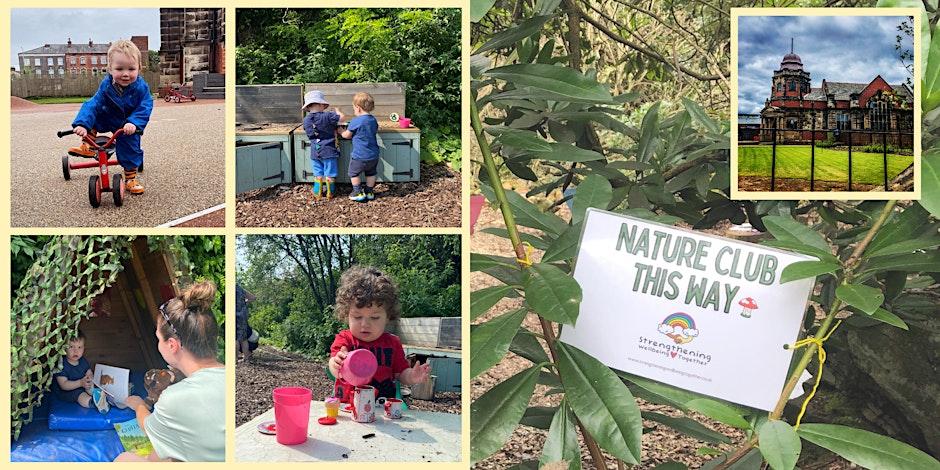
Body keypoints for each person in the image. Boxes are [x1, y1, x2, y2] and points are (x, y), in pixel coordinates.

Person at [115, 281, 225, 462]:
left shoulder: (174, 398)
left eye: (158, 338)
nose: (158, 343)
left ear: (172, 345)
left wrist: (138, 405)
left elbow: (147, 426)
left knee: (124, 459)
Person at [328, 266, 431, 404]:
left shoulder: (393, 343)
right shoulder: (345, 339)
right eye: (357, 317)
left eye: (375, 318)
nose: (365, 324)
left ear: (388, 316)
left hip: (383, 410)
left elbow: (401, 374)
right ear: (347, 315)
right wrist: (336, 364)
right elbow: (334, 367)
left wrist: (412, 376)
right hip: (348, 407)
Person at [69, 39, 153, 195]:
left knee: (130, 148)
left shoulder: (141, 88)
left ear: (139, 68)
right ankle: (87, 145)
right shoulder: (106, 85)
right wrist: (82, 124)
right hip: (108, 118)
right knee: (93, 114)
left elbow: (145, 106)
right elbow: (93, 103)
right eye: (120, 69)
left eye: (131, 69)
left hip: (127, 125)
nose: (126, 74)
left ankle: (130, 178)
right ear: (110, 69)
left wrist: (134, 123)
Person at [302, 90, 346, 199]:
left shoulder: (306, 119)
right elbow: (342, 118)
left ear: (308, 107)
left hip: (315, 150)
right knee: (330, 172)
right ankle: (330, 192)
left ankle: (317, 192)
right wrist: (338, 110)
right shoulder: (328, 116)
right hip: (329, 150)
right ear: (321, 104)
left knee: (318, 172)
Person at [341, 92, 380, 202]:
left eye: (354, 108)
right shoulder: (373, 119)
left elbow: (347, 135)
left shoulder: (356, 121)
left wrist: (341, 131)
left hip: (360, 155)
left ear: (358, 108)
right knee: (371, 173)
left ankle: (357, 192)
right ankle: (369, 191)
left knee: (353, 173)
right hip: (373, 155)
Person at [52, 329, 94, 409]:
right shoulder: (61, 364)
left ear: (84, 348)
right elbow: (64, 385)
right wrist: (80, 383)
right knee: (80, 395)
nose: (76, 351)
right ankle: (91, 402)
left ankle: (101, 399)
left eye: (79, 347)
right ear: (64, 348)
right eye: (71, 347)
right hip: (66, 392)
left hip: (81, 386)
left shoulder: (82, 360)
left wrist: (89, 378)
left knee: (91, 388)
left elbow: (89, 372)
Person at [235, 283, 256, 362]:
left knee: (234, 338)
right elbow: (253, 297)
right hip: (242, 316)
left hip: (234, 315)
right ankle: (246, 357)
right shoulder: (240, 288)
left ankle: (235, 359)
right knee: (243, 338)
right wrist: (245, 302)